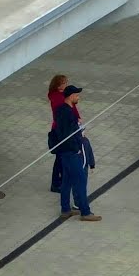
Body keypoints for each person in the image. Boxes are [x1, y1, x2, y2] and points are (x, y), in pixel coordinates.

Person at [52, 86, 100, 221]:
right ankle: (85, 212)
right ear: (71, 96)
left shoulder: (60, 110)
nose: (78, 97)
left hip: (64, 153)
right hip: (72, 153)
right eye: (77, 95)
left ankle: (65, 209)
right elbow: (69, 134)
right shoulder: (68, 113)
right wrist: (77, 148)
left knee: (66, 182)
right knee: (80, 182)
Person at [47, 74, 76, 193]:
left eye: (66, 82)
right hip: (60, 130)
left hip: (63, 128)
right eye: (64, 83)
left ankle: (60, 181)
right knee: (60, 157)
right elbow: (67, 110)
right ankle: (56, 183)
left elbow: (72, 108)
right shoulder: (57, 97)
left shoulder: (62, 96)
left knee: (61, 157)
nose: (66, 84)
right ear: (58, 85)